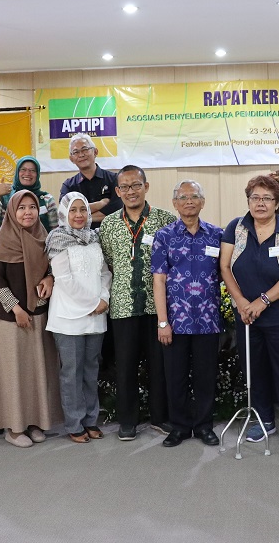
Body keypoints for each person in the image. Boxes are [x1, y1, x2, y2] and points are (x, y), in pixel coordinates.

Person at [220, 175, 279, 449]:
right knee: (254, 370)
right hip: (247, 315)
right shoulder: (235, 228)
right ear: (248, 201)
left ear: (277, 203)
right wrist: (241, 302)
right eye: (255, 198)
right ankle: (263, 421)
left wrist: (263, 301)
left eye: (267, 198)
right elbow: (225, 267)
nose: (260, 203)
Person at [98, 165, 175, 440]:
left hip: (157, 307)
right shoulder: (108, 224)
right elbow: (107, 261)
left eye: (136, 185)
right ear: (118, 191)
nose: (131, 191)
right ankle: (127, 421)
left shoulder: (165, 220)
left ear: (146, 187)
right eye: (125, 187)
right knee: (126, 366)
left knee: (158, 365)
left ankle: (160, 417)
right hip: (123, 306)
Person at [151, 181, 224, 447]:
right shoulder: (164, 236)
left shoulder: (217, 235)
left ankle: (204, 426)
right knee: (176, 377)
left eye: (194, 196)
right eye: (183, 197)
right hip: (176, 321)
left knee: (206, 377)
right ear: (175, 204)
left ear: (202, 202)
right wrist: (162, 322)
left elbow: (226, 272)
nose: (189, 201)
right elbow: (159, 280)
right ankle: (180, 427)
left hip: (208, 319)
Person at [0, 190, 57, 448]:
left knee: (37, 372)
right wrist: (16, 309)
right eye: (22, 208)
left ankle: (35, 421)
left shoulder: (44, 239)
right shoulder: (2, 242)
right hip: (10, 320)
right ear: (12, 212)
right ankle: (14, 429)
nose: (28, 212)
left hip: (39, 316)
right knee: (13, 374)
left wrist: (50, 278)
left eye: (32, 207)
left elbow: (54, 268)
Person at [46, 193, 111, 443]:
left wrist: (104, 297)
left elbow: (104, 273)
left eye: (83, 210)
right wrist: (93, 303)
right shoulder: (57, 238)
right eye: (73, 210)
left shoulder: (94, 237)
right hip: (68, 317)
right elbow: (64, 280)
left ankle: (91, 419)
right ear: (64, 213)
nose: (79, 215)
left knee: (91, 370)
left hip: (96, 316)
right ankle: (74, 423)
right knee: (71, 372)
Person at [59, 133, 122, 229]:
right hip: (79, 237)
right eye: (76, 152)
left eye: (85, 149)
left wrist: (80, 218)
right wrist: (101, 204)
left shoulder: (114, 179)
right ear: (71, 159)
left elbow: (117, 211)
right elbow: (65, 212)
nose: (81, 155)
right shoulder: (68, 185)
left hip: (111, 234)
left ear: (95, 152)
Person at [0, 156, 58, 232]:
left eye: (32, 170)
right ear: (17, 172)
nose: (27, 173)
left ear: (37, 174)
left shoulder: (47, 199)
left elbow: (55, 230)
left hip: (41, 239)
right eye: (23, 169)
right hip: (9, 239)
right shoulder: (5, 197)